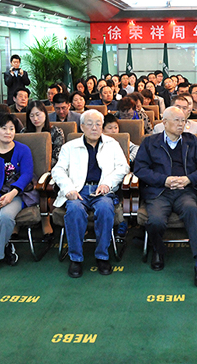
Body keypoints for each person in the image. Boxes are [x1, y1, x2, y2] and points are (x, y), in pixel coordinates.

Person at [133, 106, 197, 287]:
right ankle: (158, 250)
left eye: (183, 121)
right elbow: (140, 169)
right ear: (164, 122)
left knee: (192, 210)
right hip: (159, 191)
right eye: (177, 120)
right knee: (155, 220)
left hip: (185, 191)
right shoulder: (149, 142)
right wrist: (164, 180)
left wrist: (189, 179)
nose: (181, 124)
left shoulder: (191, 141)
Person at [52, 110, 130, 278]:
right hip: (77, 190)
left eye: (98, 124)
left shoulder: (112, 144)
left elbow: (123, 167)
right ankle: (76, 258)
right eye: (90, 124)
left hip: (102, 191)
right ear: (82, 127)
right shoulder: (69, 147)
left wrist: (107, 184)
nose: (94, 128)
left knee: (105, 209)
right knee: (74, 210)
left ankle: (102, 256)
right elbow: (58, 170)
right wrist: (68, 189)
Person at [0, 113, 38, 272]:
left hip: (16, 193)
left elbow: (27, 174)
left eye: (11, 128)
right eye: (4, 128)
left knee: (6, 216)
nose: (8, 132)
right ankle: (6, 247)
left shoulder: (23, 150)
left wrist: (12, 194)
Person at [23, 100, 65, 239]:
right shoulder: (24, 133)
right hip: (28, 171)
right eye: (32, 115)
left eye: (38, 114)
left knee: (44, 183)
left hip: (50, 170)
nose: (35, 118)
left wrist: (44, 168)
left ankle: (45, 218)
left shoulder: (56, 132)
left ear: (45, 114)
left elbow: (58, 156)